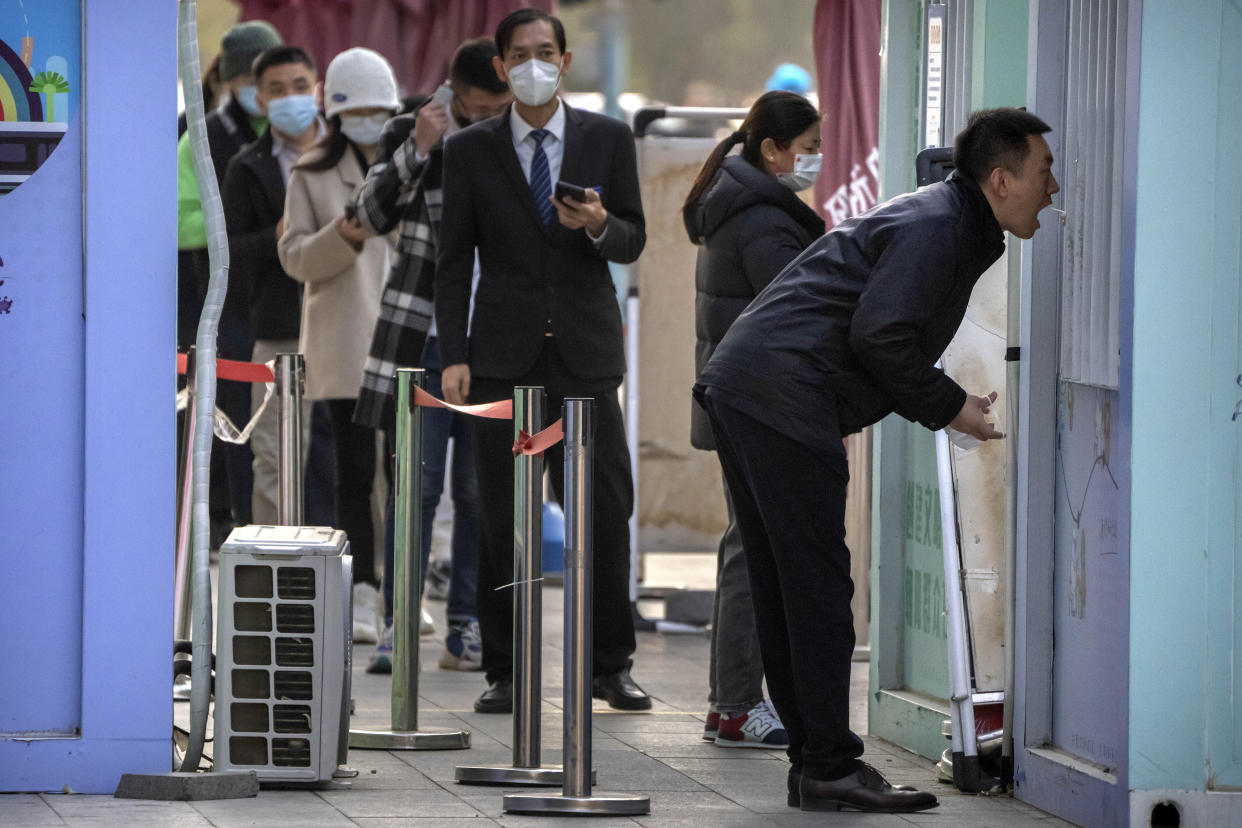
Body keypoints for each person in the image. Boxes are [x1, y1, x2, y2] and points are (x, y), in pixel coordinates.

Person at [694, 107, 1059, 812]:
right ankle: (829, 764)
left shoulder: (949, 218)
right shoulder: (942, 227)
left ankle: (816, 764)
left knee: (787, 588)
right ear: (1001, 179)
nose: (1053, 188)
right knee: (818, 591)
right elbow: (882, 334)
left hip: (751, 384)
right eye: (1044, 172)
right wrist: (953, 405)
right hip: (781, 392)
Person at [436, 8, 649, 714]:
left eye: (545, 51)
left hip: (585, 356)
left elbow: (632, 240)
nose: (533, 63)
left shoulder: (609, 138)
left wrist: (597, 225)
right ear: (500, 66)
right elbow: (452, 258)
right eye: (519, 53)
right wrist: (456, 353)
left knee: (604, 509)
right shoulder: (469, 151)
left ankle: (609, 664)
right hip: (501, 357)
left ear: (564, 61)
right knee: (503, 514)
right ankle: (506, 667)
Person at [350, 37, 513, 674]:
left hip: (493, 340)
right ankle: (397, 622)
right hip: (422, 338)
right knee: (413, 486)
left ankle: (466, 624)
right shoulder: (412, 131)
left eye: (494, 108)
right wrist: (419, 147)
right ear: (452, 93)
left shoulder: (521, 140)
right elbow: (365, 214)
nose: (485, 121)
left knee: (477, 491)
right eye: (473, 110)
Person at [682, 90, 825, 750]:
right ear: (773, 150)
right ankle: (737, 703)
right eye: (810, 149)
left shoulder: (736, 203)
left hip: (733, 399)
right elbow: (797, 314)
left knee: (745, 547)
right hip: (758, 406)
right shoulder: (764, 221)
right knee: (751, 554)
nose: (817, 161)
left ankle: (729, 702)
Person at [221, 46, 359, 630]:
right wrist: (284, 236)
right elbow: (231, 256)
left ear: (320, 87)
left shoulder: (352, 153)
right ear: (259, 98)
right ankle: (276, 583)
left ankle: (362, 585)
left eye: (300, 83)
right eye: (277, 88)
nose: (292, 97)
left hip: (348, 327)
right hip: (277, 334)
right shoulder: (248, 166)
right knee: (275, 460)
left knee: (357, 461)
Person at [276, 47, 400, 658]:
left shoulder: (416, 167)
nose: (370, 122)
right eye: (360, 111)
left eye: (381, 110)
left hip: (406, 343)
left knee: (408, 476)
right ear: (337, 113)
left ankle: (404, 598)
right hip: (346, 339)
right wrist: (342, 236)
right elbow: (295, 257)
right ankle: (364, 591)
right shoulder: (311, 173)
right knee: (353, 471)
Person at [177, 20, 283, 543]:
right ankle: (225, 518)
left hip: (285, 298)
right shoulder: (201, 133)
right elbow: (182, 221)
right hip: (215, 297)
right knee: (226, 415)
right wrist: (256, 234)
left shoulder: (298, 133)